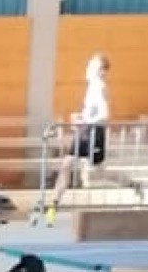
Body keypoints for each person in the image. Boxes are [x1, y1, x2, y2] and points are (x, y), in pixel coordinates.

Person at [42, 53, 110, 225]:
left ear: (101, 71)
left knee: (98, 170)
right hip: (85, 130)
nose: (88, 68)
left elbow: (104, 114)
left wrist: (86, 120)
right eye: (89, 64)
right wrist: (81, 116)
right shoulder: (92, 86)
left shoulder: (99, 87)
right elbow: (93, 112)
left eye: (93, 65)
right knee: (66, 164)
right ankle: (53, 205)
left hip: (94, 131)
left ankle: (131, 184)